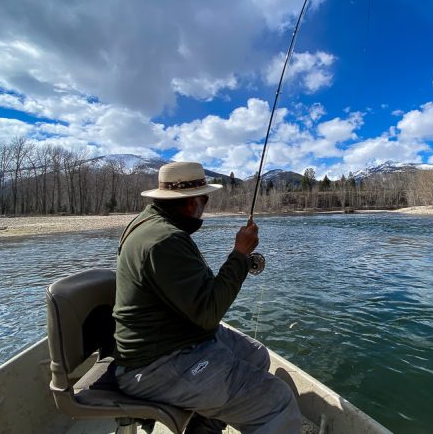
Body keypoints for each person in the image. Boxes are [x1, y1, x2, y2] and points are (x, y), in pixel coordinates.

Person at [112, 161, 301, 433]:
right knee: (278, 401)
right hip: (155, 364)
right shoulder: (165, 240)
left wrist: (239, 260)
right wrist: (240, 254)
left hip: (174, 337)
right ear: (191, 203)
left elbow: (198, 300)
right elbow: (208, 313)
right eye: (205, 199)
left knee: (256, 355)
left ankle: (204, 427)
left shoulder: (149, 223)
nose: (206, 205)